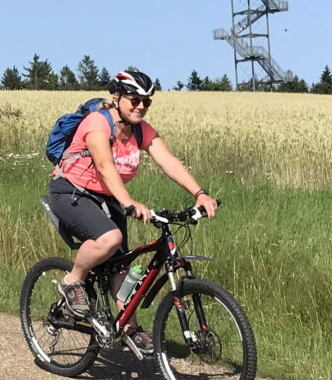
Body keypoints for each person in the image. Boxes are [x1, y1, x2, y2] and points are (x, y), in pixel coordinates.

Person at [46, 70, 219, 354]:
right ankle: (72, 280)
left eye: (146, 102)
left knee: (122, 267)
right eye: (134, 100)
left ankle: (130, 329)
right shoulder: (97, 122)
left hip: (106, 197)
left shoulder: (140, 130)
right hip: (70, 192)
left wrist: (199, 193)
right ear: (117, 98)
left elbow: (169, 161)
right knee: (110, 238)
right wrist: (128, 201)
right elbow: (104, 166)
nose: (141, 106)